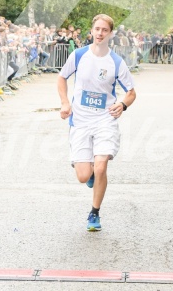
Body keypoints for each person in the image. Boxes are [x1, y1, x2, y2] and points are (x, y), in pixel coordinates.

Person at [58, 14, 136, 232]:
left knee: (101, 167)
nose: (100, 33)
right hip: (81, 121)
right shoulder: (79, 55)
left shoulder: (116, 62)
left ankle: (94, 212)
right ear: (91, 31)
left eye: (104, 30)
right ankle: (90, 175)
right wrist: (65, 102)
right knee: (84, 176)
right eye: (97, 29)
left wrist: (123, 104)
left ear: (110, 33)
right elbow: (61, 78)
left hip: (105, 121)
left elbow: (131, 92)